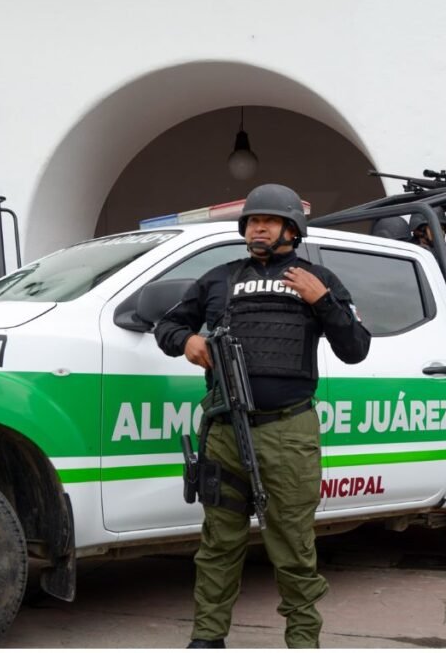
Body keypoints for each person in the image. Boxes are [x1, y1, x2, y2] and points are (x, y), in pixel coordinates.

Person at [155, 184, 371, 649]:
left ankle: (303, 639)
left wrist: (322, 301)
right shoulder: (219, 278)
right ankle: (207, 639)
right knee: (218, 545)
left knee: (293, 545)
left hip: (288, 433)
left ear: (291, 229)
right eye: (253, 221)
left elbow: (355, 348)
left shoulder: (318, 279)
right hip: (225, 432)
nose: (258, 227)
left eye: (268, 221)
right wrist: (186, 341)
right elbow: (167, 322)